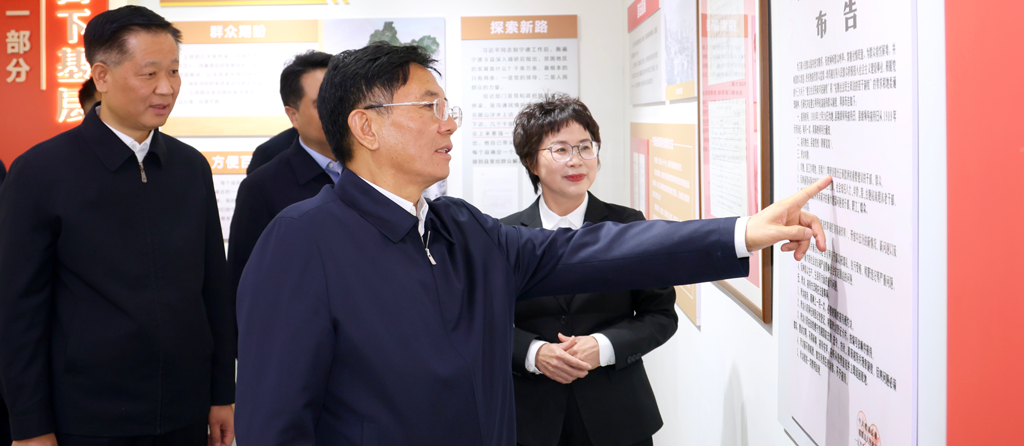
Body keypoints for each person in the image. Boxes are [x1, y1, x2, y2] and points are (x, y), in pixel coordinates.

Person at [234, 41, 831, 446]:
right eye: (430, 107)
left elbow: (591, 251)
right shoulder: (301, 242)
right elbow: (275, 423)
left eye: (447, 106)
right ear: (366, 126)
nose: (449, 122)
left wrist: (741, 232)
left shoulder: (458, 227)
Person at [0, 6, 235, 446]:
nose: (166, 87)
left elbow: (213, 291)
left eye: (174, 71)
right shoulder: (40, 172)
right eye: (149, 73)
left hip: (184, 411)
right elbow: (18, 311)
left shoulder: (190, 168)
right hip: (87, 418)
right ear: (102, 76)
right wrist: (30, 426)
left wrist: (222, 393)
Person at [501, 94, 675, 446]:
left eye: (585, 147)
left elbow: (660, 315)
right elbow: (484, 323)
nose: (576, 160)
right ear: (531, 162)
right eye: (560, 150)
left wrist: (603, 345)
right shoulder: (505, 235)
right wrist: (534, 353)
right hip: (531, 419)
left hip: (618, 416)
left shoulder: (628, 226)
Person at [228, 50, 339, 298]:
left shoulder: (378, 169)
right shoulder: (261, 187)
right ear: (293, 115)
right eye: (322, 103)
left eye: (343, 99)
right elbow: (246, 279)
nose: (337, 111)